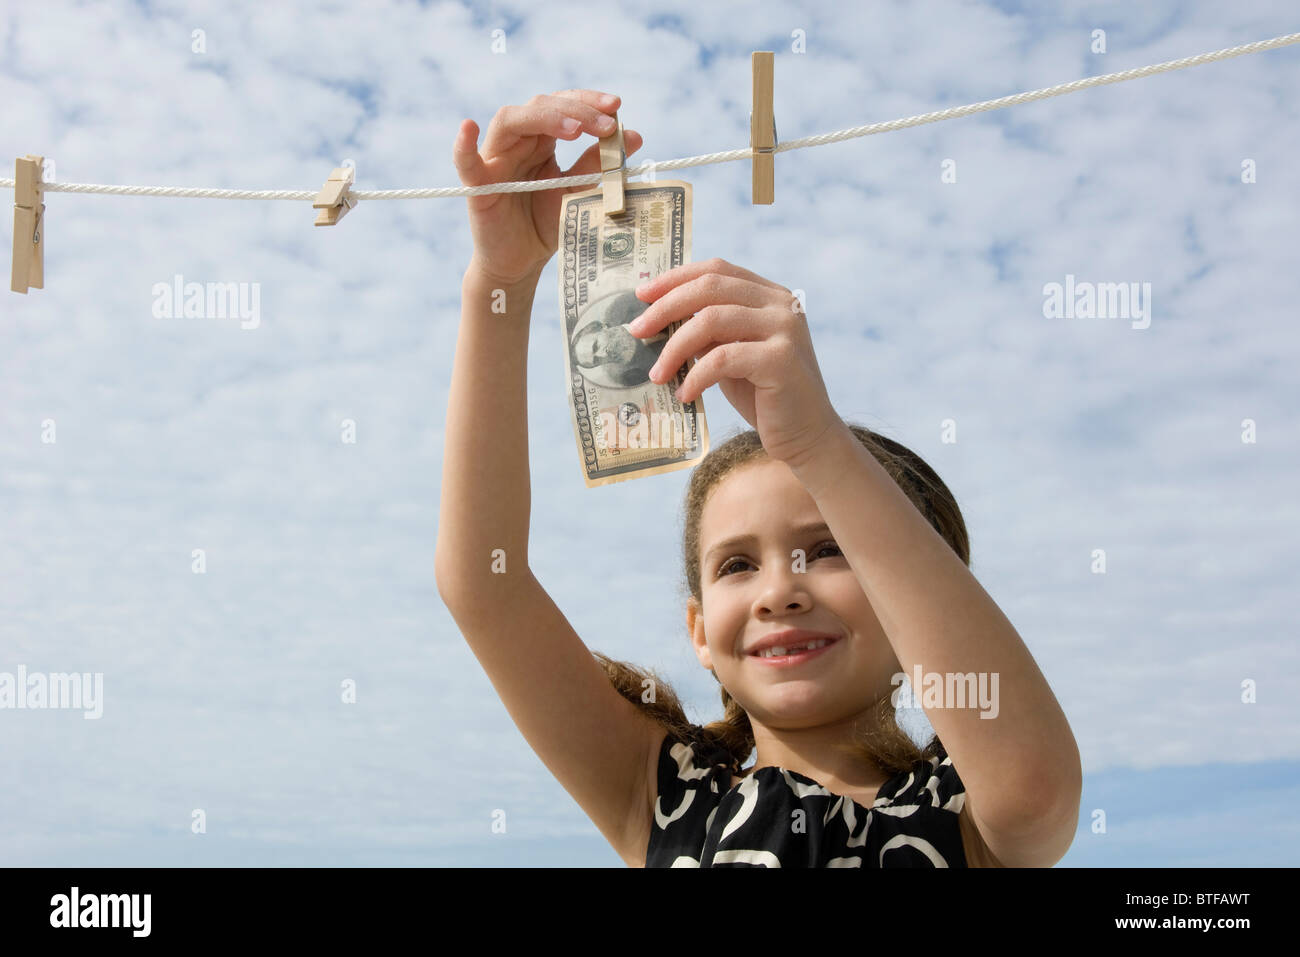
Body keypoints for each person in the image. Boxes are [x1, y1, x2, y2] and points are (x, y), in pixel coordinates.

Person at [437, 88, 1082, 868]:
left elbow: (1039, 789)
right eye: (737, 564)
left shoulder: (969, 811)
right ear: (700, 632)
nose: (781, 590)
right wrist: (498, 282)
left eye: (830, 547)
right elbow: (484, 583)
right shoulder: (662, 795)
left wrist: (819, 442)